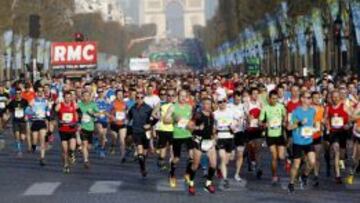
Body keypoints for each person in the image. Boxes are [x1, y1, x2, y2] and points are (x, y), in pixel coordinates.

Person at [164, 89, 194, 188]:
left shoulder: (189, 107)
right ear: (178, 96)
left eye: (185, 96)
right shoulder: (173, 107)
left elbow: (190, 121)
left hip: (188, 134)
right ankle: (172, 175)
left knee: (192, 156)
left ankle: (187, 174)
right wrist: (174, 119)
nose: (183, 98)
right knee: (176, 158)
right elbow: (165, 120)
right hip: (177, 135)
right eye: (181, 96)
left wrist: (192, 126)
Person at [288, 91, 316, 193]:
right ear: (302, 99)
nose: (309, 100)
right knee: (296, 165)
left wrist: (315, 128)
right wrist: (299, 123)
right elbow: (289, 127)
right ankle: (291, 183)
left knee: (312, 162)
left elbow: (313, 124)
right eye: (307, 98)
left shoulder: (313, 111)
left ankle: (304, 175)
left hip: (308, 140)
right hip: (298, 141)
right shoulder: (295, 112)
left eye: (310, 98)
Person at [187, 97, 216, 195]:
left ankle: (208, 184)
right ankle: (191, 183)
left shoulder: (212, 115)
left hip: (209, 141)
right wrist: (198, 127)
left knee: (213, 164)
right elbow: (189, 126)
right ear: (203, 105)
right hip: (198, 141)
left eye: (209, 103)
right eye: (206, 103)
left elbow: (212, 128)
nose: (208, 105)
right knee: (195, 165)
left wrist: (214, 137)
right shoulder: (198, 115)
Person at [259, 90, 286, 185]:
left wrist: (284, 122)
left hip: (280, 134)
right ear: (269, 99)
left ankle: (284, 161)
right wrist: (264, 124)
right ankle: (274, 175)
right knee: (274, 156)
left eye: (276, 98)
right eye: (273, 99)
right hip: (270, 135)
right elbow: (260, 122)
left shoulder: (281, 106)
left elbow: (285, 117)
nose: (275, 100)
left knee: (281, 156)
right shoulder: (265, 108)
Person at [326, 90, 350, 184]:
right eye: (333, 97)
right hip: (333, 132)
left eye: (337, 97)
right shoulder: (328, 107)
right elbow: (326, 118)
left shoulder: (344, 106)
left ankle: (340, 162)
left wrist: (348, 124)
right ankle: (338, 176)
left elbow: (351, 116)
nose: (335, 99)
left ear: (340, 97)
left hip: (343, 132)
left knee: (342, 155)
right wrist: (327, 124)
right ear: (331, 98)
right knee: (336, 151)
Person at [128, 91, 153, 177]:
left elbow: (155, 118)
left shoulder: (148, 108)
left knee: (145, 152)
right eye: (137, 98)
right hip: (136, 131)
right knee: (139, 150)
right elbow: (128, 119)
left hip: (146, 132)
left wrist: (150, 124)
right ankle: (142, 169)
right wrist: (128, 132)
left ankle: (143, 165)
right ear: (135, 99)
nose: (139, 99)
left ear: (143, 98)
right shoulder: (132, 108)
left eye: (141, 98)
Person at [26, 86, 50, 166]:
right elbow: (27, 111)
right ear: (36, 93)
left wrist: (48, 114)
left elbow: (48, 112)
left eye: (41, 92)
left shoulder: (46, 101)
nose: (40, 93)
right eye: (39, 92)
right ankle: (33, 145)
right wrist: (32, 113)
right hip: (35, 122)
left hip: (42, 121)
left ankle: (42, 158)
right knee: (35, 140)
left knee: (42, 139)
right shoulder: (33, 101)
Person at [55, 91, 78, 173]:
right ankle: (66, 165)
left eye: (69, 97)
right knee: (65, 150)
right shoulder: (60, 105)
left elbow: (78, 113)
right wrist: (59, 121)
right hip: (63, 130)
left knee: (72, 148)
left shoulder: (74, 105)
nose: (68, 99)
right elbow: (54, 111)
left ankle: (72, 154)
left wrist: (76, 122)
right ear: (64, 98)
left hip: (72, 129)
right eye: (66, 97)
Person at [153, 89, 176, 170]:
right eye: (169, 95)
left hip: (173, 130)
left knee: (173, 148)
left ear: (175, 96)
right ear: (166, 96)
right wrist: (159, 118)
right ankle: (161, 160)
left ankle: (172, 163)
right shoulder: (161, 103)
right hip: (163, 129)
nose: (170, 97)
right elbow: (153, 113)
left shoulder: (176, 105)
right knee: (163, 148)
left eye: (172, 95)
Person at [77, 91, 100, 169]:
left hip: (90, 127)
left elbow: (98, 113)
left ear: (90, 97)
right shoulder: (79, 105)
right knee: (84, 144)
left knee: (89, 147)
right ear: (82, 97)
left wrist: (93, 114)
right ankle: (86, 160)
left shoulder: (93, 104)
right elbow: (74, 113)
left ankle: (86, 155)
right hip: (82, 127)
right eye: (84, 96)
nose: (86, 97)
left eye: (87, 96)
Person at [6, 88, 29, 157]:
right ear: (15, 94)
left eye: (19, 93)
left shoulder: (25, 101)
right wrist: (8, 115)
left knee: (23, 138)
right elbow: (8, 109)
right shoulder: (12, 102)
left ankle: (20, 145)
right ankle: (19, 151)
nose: (18, 95)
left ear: (21, 94)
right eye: (16, 93)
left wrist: (27, 116)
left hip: (23, 121)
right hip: (15, 121)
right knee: (17, 136)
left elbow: (28, 109)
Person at [109, 90, 128, 162]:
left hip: (122, 124)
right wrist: (112, 117)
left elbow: (127, 112)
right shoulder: (112, 103)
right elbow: (106, 112)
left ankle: (123, 156)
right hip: (114, 124)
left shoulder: (125, 103)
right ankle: (113, 145)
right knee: (114, 138)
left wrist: (126, 118)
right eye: (118, 94)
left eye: (121, 94)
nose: (120, 96)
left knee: (122, 140)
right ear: (116, 95)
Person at [311, 91, 325, 186]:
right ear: (311, 99)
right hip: (307, 136)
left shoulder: (321, 108)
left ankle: (316, 175)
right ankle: (304, 173)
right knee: (307, 158)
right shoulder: (308, 109)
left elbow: (323, 120)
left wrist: (323, 123)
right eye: (315, 97)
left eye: (318, 97)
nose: (317, 99)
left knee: (317, 157)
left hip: (318, 135)